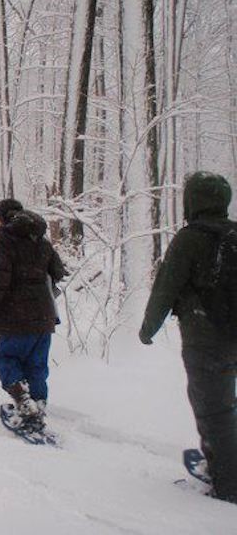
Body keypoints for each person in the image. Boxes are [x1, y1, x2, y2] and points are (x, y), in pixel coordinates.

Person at [139, 172, 237, 504]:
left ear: (192, 201)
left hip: (206, 341)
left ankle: (227, 482)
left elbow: (166, 288)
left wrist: (148, 328)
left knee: (214, 410)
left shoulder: (190, 238)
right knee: (227, 409)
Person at [0, 199, 66, 432]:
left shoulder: (5, 239)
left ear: (4, 217)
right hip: (45, 315)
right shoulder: (41, 239)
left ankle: (24, 402)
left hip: (16, 315)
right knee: (36, 366)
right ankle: (37, 407)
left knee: (5, 359)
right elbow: (58, 271)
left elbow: (0, 281)